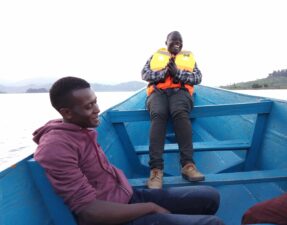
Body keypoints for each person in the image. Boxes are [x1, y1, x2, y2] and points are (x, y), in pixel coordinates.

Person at [33, 76, 225, 225]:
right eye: (89, 106)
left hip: (127, 197)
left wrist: (144, 205)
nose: (97, 109)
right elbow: (88, 212)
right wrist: (149, 208)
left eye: (95, 102)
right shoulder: (56, 147)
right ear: (66, 112)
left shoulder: (79, 128)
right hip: (112, 218)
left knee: (210, 197)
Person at [141, 31, 204, 189]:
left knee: (179, 113)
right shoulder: (155, 56)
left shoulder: (189, 58)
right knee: (158, 115)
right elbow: (145, 74)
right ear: (166, 42)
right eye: (173, 41)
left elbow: (198, 78)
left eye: (180, 41)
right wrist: (164, 73)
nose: (177, 43)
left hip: (180, 92)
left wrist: (179, 74)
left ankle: (188, 165)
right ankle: (156, 170)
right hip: (158, 93)